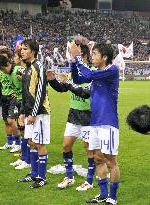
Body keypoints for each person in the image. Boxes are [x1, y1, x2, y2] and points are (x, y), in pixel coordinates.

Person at [70, 42, 120, 205]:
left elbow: (89, 75)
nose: (92, 57)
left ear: (104, 57)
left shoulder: (111, 70)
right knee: (98, 158)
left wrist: (78, 57)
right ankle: (103, 194)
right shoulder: (97, 73)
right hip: (94, 122)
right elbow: (78, 78)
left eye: (95, 54)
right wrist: (72, 62)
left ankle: (112, 197)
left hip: (108, 122)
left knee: (111, 161)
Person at [47, 44, 96, 191]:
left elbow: (84, 92)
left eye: (77, 53)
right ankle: (69, 177)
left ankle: (89, 180)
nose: (72, 55)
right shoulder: (74, 72)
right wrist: (52, 80)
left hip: (89, 116)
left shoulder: (93, 73)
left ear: (84, 55)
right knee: (66, 145)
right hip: (74, 114)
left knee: (89, 149)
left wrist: (68, 83)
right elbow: (63, 88)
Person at [17, 39, 50, 188]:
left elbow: (41, 92)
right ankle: (34, 174)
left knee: (39, 143)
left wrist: (33, 113)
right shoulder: (27, 68)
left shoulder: (39, 67)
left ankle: (42, 178)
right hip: (29, 112)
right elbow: (25, 94)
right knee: (30, 142)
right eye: (21, 49)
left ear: (33, 52)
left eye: (25, 49)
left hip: (40, 112)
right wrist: (23, 112)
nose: (22, 51)